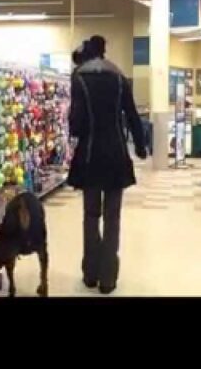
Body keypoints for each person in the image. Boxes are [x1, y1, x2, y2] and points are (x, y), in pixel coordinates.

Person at [67, 35, 146, 294]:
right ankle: (108, 279)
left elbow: (76, 124)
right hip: (116, 155)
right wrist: (141, 145)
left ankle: (90, 272)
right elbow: (132, 114)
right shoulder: (119, 76)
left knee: (91, 216)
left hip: (89, 155)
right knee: (113, 217)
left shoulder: (78, 77)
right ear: (105, 51)